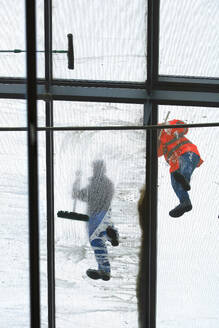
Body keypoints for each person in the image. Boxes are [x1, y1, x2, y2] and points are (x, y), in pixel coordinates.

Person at [73, 160, 119, 281]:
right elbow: (109, 196)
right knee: (101, 236)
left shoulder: (92, 185)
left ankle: (104, 269)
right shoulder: (109, 184)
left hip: (94, 215)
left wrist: (77, 179)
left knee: (96, 240)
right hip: (106, 215)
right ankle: (111, 235)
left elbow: (77, 194)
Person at [158, 119, 204, 217]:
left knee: (185, 165)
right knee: (175, 182)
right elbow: (156, 153)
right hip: (175, 163)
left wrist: (169, 126)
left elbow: (183, 126)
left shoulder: (167, 129)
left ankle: (185, 180)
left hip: (187, 151)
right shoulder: (159, 143)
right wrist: (155, 144)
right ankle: (185, 202)